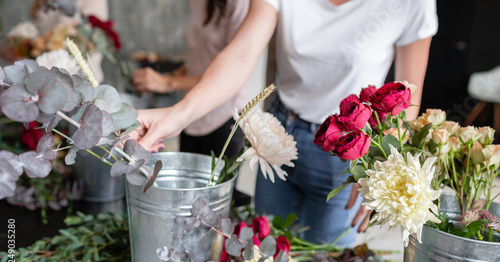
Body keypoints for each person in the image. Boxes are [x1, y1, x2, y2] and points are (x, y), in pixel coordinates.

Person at [130, 0, 438, 246]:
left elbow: (407, 95)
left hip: (345, 154)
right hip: (277, 134)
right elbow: (241, 54)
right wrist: (177, 115)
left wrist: (382, 166)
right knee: (265, 254)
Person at [133, 0, 251, 160]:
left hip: (225, 115)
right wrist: (167, 78)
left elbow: (232, 72)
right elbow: (199, 58)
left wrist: (167, 83)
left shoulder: (240, 4)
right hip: (191, 115)